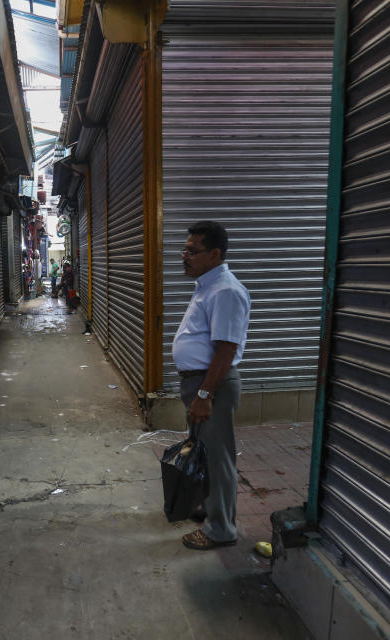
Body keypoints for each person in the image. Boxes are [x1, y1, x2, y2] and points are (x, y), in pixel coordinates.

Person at [172, 221, 250, 551]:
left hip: (211, 387)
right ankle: (206, 508)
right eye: (185, 249)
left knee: (218, 460)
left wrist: (205, 394)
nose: (184, 256)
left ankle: (221, 529)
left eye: (192, 250)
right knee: (202, 455)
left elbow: (225, 349)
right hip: (199, 385)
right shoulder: (206, 286)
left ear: (215, 254)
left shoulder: (226, 291)